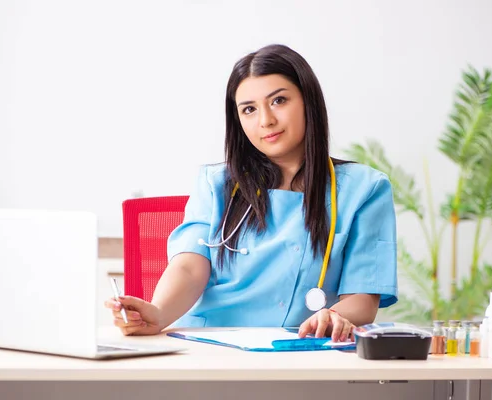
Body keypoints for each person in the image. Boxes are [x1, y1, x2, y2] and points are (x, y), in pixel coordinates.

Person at [105, 44, 398, 342]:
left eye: (279, 100)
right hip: (209, 346)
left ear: (308, 101)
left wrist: (335, 316)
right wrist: (158, 313)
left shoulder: (364, 189)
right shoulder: (216, 183)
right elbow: (190, 269)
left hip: (301, 349)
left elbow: (363, 298)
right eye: (249, 109)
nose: (266, 120)